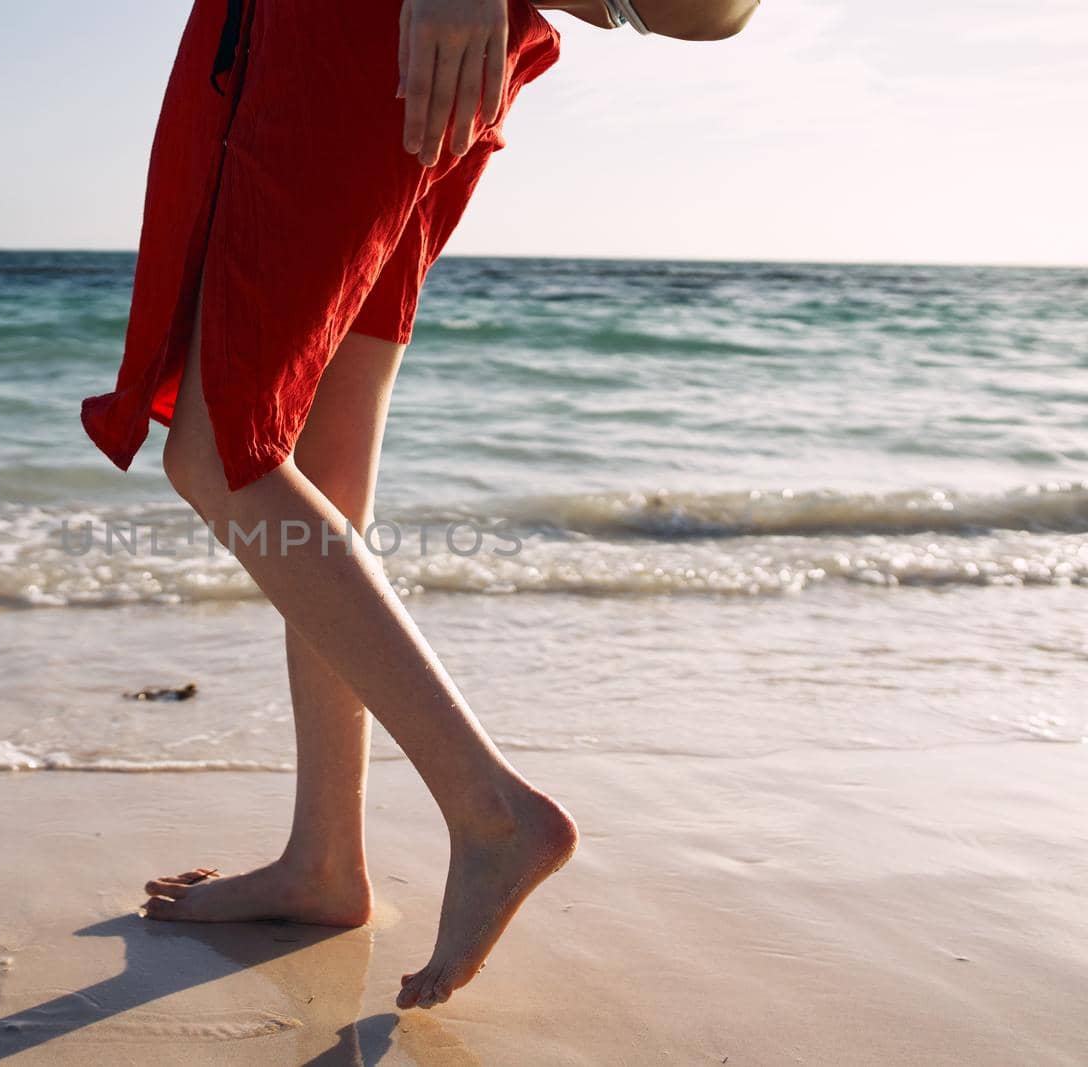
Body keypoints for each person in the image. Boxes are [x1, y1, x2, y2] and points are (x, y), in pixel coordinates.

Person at [81, 0, 760, 1011]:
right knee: (319, 455)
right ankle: (325, 857)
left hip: (351, 29)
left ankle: (489, 808)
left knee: (225, 451)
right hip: (382, 36)